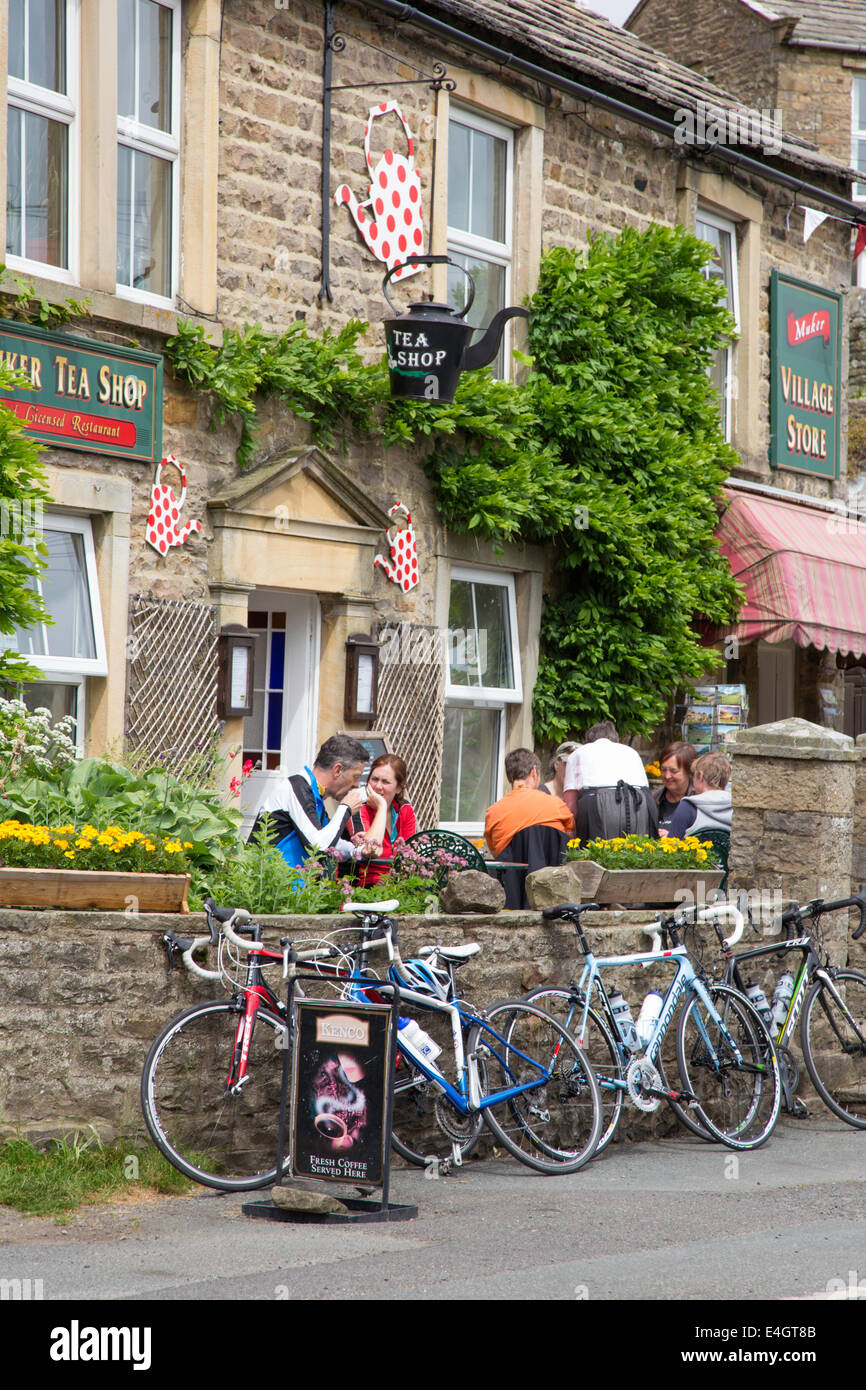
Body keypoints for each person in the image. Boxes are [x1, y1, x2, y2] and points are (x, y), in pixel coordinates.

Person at [247, 733, 369, 866]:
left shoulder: (313, 794)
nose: (357, 784)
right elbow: (318, 847)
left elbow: (330, 841)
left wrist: (359, 851)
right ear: (338, 770)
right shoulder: (294, 788)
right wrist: (345, 808)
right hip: (270, 884)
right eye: (356, 776)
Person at [563, 721, 658, 841]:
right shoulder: (631, 751)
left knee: (598, 853)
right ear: (617, 740)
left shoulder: (579, 753)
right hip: (639, 802)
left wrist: (570, 835)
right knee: (638, 852)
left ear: (587, 741)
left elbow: (570, 804)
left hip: (598, 802)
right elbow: (646, 790)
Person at [484, 748, 573, 859]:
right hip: (553, 873)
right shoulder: (557, 805)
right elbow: (571, 839)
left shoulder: (493, 813)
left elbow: (495, 853)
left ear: (508, 777)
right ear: (534, 772)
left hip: (512, 875)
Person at [352, 753, 417, 885]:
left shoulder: (405, 810)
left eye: (385, 782)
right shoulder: (357, 807)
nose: (378, 787)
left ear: (399, 787)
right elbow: (370, 850)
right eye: (374, 779)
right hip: (362, 886)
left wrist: (390, 880)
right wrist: (381, 807)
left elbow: (408, 856)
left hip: (397, 882)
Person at [666, 751, 733, 839]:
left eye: (693, 775)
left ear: (700, 776)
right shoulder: (735, 808)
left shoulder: (688, 807)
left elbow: (672, 845)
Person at [655, 740, 697, 836]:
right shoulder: (655, 799)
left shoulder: (697, 801)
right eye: (663, 770)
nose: (667, 776)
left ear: (689, 771)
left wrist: (673, 838)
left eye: (673, 771)